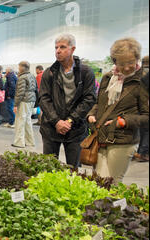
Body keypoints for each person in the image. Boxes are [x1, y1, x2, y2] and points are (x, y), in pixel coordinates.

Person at [87, 38, 149, 183]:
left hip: (123, 140)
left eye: (130, 63)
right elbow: (99, 103)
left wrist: (124, 121)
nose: (127, 68)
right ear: (115, 61)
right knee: (98, 181)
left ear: (137, 59)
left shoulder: (143, 81)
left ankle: (112, 206)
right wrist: (91, 114)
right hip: (101, 136)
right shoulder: (108, 78)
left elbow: (147, 116)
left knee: (112, 182)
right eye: (121, 63)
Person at [39, 34, 96, 168]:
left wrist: (70, 120)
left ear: (73, 49)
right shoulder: (49, 73)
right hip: (51, 128)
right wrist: (57, 121)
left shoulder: (85, 72)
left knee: (74, 169)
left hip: (75, 130)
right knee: (48, 168)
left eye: (62, 47)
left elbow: (89, 98)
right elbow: (43, 98)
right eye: (56, 47)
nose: (58, 50)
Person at [12, 61, 37, 148]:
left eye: (19, 67)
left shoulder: (22, 77)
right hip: (31, 100)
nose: (18, 69)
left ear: (22, 67)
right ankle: (29, 141)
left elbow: (20, 92)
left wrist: (15, 104)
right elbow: (36, 89)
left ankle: (19, 142)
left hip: (24, 100)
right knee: (27, 121)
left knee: (20, 121)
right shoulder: (32, 75)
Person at [133, 55, 149, 162]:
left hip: (137, 106)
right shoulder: (145, 76)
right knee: (147, 130)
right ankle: (142, 152)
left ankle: (138, 151)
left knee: (141, 130)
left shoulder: (137, 73)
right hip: (145, 105)